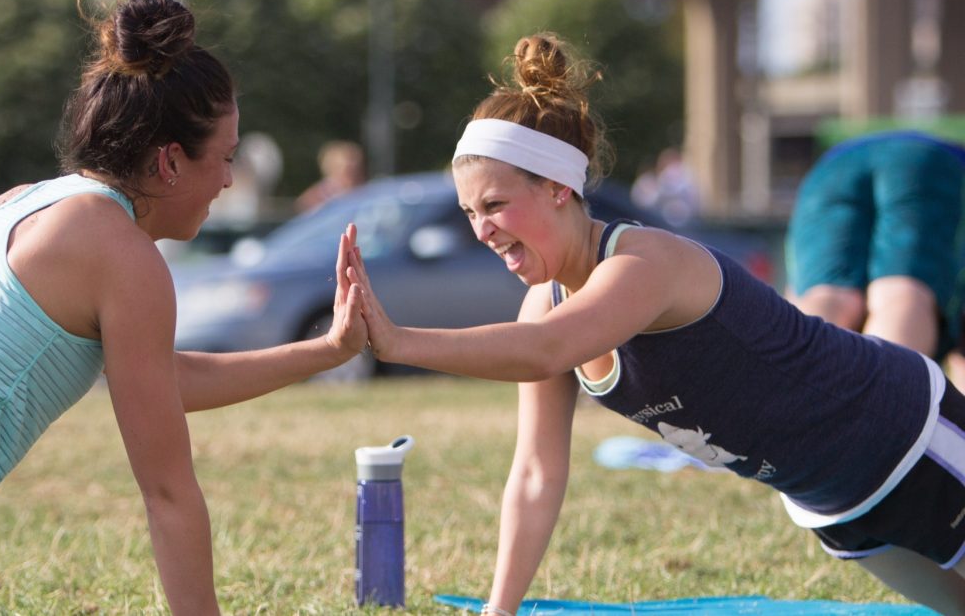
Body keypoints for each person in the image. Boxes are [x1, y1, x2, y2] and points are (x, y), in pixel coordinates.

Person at [0, 0, 365, 615]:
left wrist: (327, 350)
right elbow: (167, 492)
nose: (230, 181)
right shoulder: (126, 258)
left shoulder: (31, 199)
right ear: (168, 161)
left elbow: (164, 382)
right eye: (226, 158)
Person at [341, 32, 965, 616]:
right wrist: (499, 611)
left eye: (496, 204)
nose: (482, 229)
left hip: (904, 436)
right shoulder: (546, 304)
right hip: (831, 502)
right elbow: (535, 473)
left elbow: (543, 350)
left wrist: (395, 341)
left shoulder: (644, 263)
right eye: (471, 212)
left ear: (559, 187)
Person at [785, 130, 965, 387]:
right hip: (930, 163)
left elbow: (794, 300)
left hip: (831, 168)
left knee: (826, 297)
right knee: (901, 293)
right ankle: (882, 406)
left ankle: (797, 397)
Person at [294, 139, 365, 213]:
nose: (353, 172)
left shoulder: (367, 193)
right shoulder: (317, 197)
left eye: (357, 167)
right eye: (348, 168)